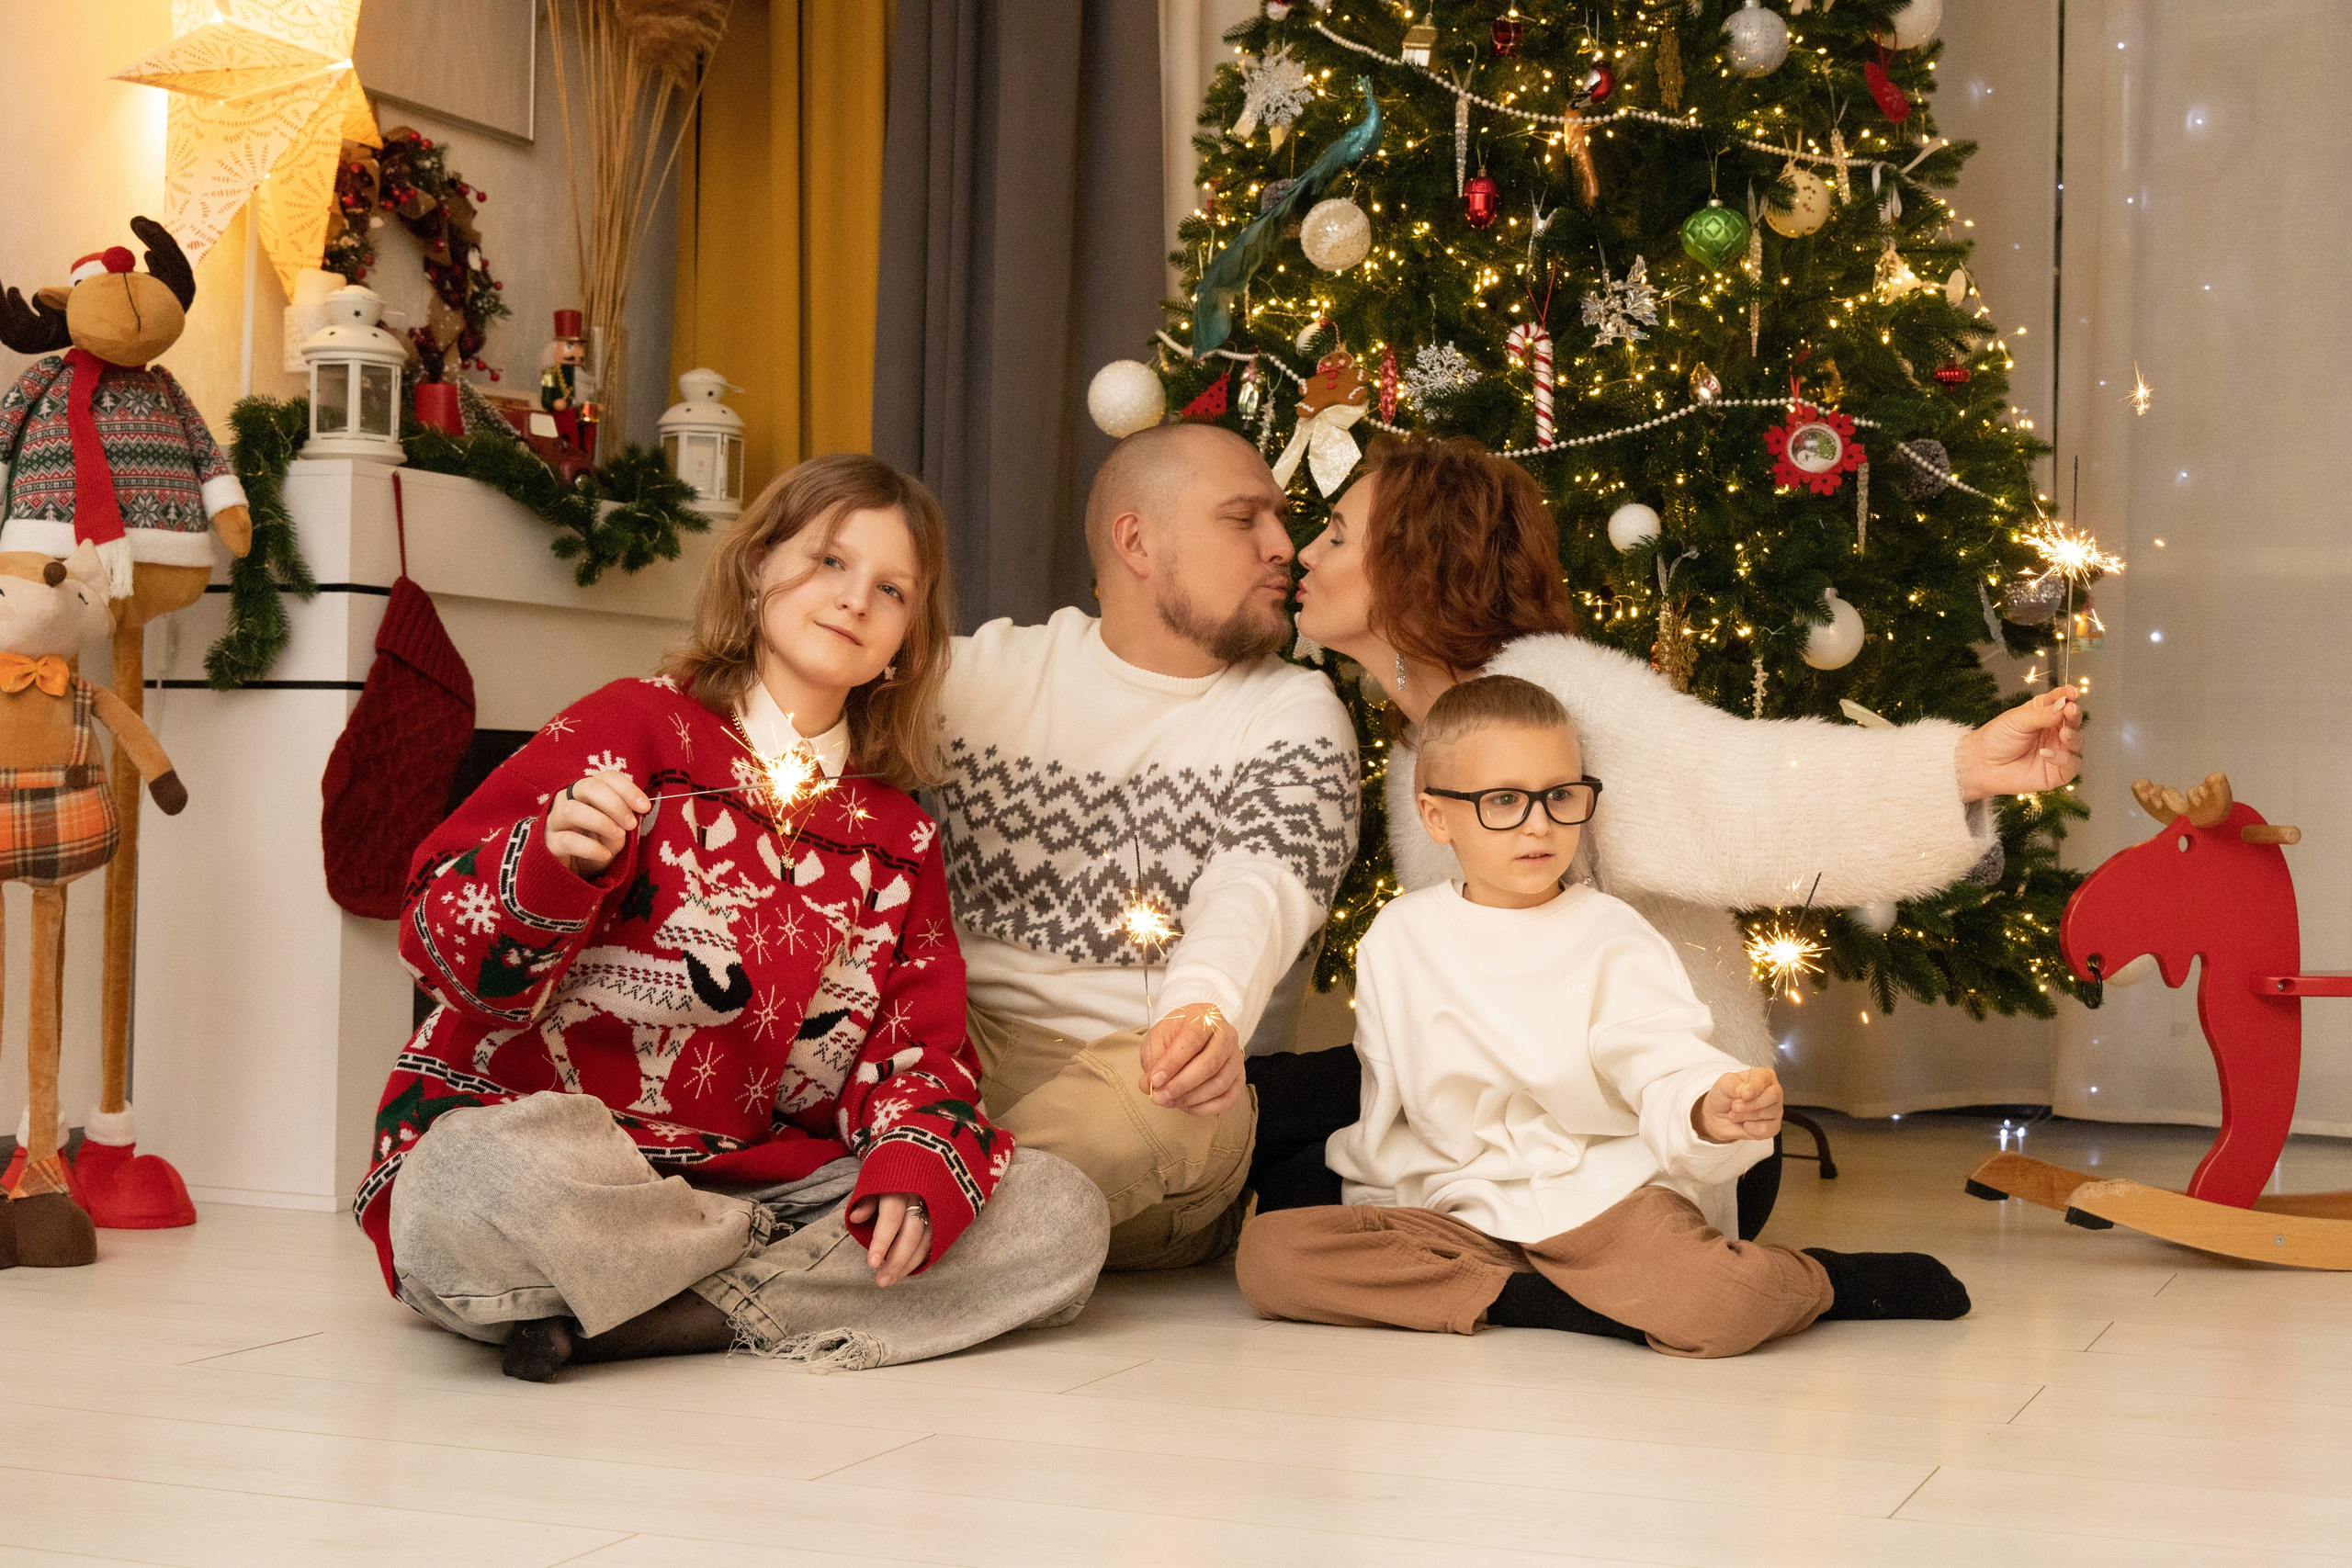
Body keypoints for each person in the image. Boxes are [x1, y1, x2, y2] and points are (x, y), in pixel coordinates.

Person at [356, 454, 1108, 1382]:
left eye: (891, 589)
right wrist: (552, 861)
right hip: (576, 1173)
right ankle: (725, 1292)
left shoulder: (897, 841)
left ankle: (657, 1312)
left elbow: (919, 1055)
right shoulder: (631, 729)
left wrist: (911, 1164)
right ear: (757, 566)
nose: (854, 600)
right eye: (829, 561)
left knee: (1058, 1215)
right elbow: (436, 945)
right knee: (463, 1183)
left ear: (907, 640)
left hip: (770, 1186)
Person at [1257, 433, 2083, 1239]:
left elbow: (1740, 795)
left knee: (1296, 1167)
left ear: (1412, 567)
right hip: (1529, 1118)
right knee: (1280, 1135)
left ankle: (1795, 1285)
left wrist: (1960, 769)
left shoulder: (1556, 697)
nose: (1303, 554)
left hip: (1681, 1137)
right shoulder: (1425, 741)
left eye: (1334, 537)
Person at [1236, 676, 1970, 1357]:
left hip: (1598, 1198)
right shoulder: (1398, 937)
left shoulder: (1608, 932)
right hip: (1459, 1209)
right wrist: (1384, 1207)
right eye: (1503, 801)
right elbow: (1390, 1107)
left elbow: (1663, 1059)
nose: (1539, 825)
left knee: (1721, 1304)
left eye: (1561, 796)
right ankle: (1543, 1299)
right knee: (1270, 1258)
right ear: (1436, 815)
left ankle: (1825, 1279)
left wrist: (1707, 1105)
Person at [936, 422, 1359, 1269]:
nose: (1286, 546)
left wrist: (1200, 1010)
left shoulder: (1295, 713)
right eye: (1245, 520)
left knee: (1166, 1102)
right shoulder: (979, 678)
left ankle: (843, 1230)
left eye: (1280, 519)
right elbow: (769, 714)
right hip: (956, 1053)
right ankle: (899, 1218)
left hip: (1154, 1079)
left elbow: (1257, 890)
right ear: (1136, 539)